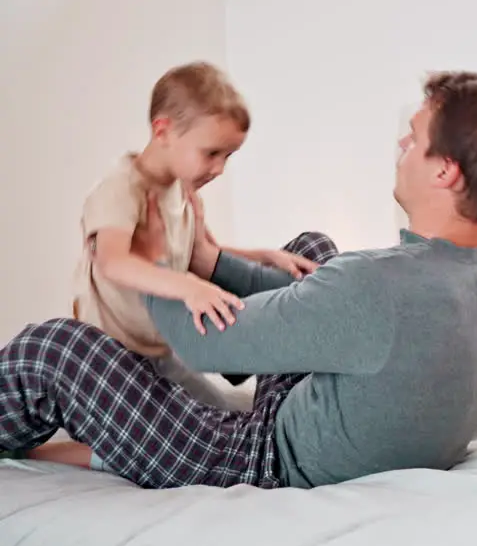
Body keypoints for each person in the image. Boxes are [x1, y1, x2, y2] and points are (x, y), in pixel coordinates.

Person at [0, 70, 477, 490]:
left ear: (446, 172)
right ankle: (225, 299)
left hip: (264, 458)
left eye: (412, 140)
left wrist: (158, 264)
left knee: (54, 349)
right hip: (348, 420)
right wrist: (208, 261)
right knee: (311, 254)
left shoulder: (376, 285)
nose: (400, 143)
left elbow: (202, 343)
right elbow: (346, 304)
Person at [68, 61, 317, 415]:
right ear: (163, 131)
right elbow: (112, 261)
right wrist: (188, 287)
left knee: (240, 414)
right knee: (216, 426)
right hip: (113, 357)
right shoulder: (121, 189)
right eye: (211, 153)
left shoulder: (182, 191)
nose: (219, 169)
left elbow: (199, 256)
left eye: (227, 156)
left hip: (161, 352)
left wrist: (263, 255)